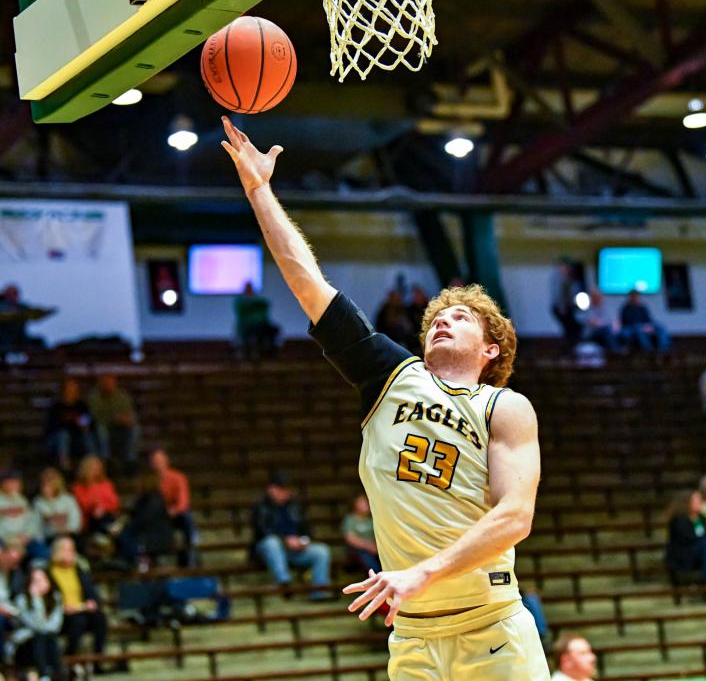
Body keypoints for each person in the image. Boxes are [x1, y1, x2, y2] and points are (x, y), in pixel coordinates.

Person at [222, 116, 546, 679]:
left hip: (490, 626)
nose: (443, 319)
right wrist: (259, 189)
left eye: (461, 316)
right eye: (437, 316)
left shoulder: (504, 406)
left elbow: (516, 515)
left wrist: (424, 572)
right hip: (415, 634)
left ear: (492, 350)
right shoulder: (393, 375)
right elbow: (309, 284)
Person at [251, 471, 332, 600]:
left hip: (294, 550)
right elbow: (262, 531)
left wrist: (303, 541)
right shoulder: (260, 507)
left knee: (322, 551)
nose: (284, 493)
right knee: (272, 543)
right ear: (271, 489)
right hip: (269, 550)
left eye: (286, 490)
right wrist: (285, 540)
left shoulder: (295, 505)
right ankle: (284, 583)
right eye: (280, 489)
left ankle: (319, 591)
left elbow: (308, 530)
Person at [48, 536, 107, 659]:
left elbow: (90, 591)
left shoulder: (78, 569)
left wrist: (92, 601)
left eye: (72, 550)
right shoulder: (48, 571)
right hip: (61, 613)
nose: (72, 553)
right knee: (78, 621)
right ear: (58, 551)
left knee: (100, 618)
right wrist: (62, 607)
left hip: (81, 608)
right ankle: (70, 657)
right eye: (68, 550)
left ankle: (98, 658)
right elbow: (49, 597)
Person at [0, 471, 48, 561]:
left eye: (17, 482)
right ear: (3, 483)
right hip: (2, 540)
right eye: (12, 482)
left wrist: (26, 536)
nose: (16, 485)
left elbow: (33, 521)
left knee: (44, 552)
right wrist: (8, 539)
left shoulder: (22, 500)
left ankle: (36, 573)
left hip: (23, 539)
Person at [665, 490, 706, 586]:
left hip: (701, 553)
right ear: (687, 503)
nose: (700, 503)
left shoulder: (702, 518)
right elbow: (688, 538)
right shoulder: (679, 520)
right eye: (697, 501)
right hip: (684, 555)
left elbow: (705, 533)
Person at [149, 448, 199, 567]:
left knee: (186, 517)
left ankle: (190, 554)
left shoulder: (178, 477)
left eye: (159, 461)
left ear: (166, 461)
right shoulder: (150, 481)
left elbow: (183, 501)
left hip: (175, 514)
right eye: (154, 461)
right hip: (158, 516)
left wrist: (173, 511)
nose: (157, 464)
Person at [13, 566, 64, 681]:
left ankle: (54, 675)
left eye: (42, 580)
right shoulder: (22, 600)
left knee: (48, 637)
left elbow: (56, 626)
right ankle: (44, 675)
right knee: (40, 636)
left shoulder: (56, 598)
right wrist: (36, 599)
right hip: (25, 646)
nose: (40, 584)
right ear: (29, 584)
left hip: (48, 641)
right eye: (35, 581)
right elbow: (37, 625)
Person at [117, 471, 174, 570]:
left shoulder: (154, 500)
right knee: (123, 535)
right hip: (147, 533)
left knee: (125, 536)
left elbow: (144, 520)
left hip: (154, 537)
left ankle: (134, 562)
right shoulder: (143, 499)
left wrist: (124, 528)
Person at [44, 378, 97, 471]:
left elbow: (89, 423)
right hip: (57, 440)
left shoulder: (81, 406)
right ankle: (65, 465)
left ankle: (92, 464)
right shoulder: (56, 406)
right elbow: (51, 427)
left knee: (87, 435)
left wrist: (79, 422)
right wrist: (67, 420)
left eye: (73, 389)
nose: (71, 391)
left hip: (77, 437)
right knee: (63, 435)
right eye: (68, 389)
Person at [87, 374, 139, 466]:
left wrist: (124, 420)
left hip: (120, 430)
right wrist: (114, 418)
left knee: (135, 429)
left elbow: (129, 416)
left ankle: (130, 461)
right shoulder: (94, 398)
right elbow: (95, 417)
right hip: (101, 430)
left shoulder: (123, 397)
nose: (108, 384)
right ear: (101, 383)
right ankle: (106, 460)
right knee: (101, 429)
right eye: (105, 382)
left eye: (110, 382)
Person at [71, 456, 120, 539]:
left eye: (97, 467)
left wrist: (103, 507)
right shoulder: (78, 487)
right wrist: (95, 506)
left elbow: (115, 503)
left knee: (105, 517)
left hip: (106, 515)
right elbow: (82, 504)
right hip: (88, 518)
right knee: (99, 516)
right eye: (92, 467)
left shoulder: (106, 484)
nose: (95, 470)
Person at [0, 284, 45, 354]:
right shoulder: (0, 307)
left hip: (21, 339)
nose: (13, 296)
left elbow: (33, 313)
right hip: (5, 340)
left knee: (39, 342)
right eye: (10, 294)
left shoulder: (23, 307)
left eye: (14, 294)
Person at [33, 468, 82, 542]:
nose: (45, 488)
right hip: (49, 537)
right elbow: (37, 526)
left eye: (49, 485)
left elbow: (76, 520)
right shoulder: (38, 503)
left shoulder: (68, 499)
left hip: (69, 534)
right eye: (43, 485)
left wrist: (67, 530)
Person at [233, 281, 279, 358]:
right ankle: (255, 353)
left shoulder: (259, 302)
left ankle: (269, 353)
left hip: (261, 326)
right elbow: (244, 310)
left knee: (272, 330)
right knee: (258, 331)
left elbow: (265, 305)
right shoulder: (241, 302)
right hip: (248, 327)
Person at [619, 290, 670, 354]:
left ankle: (664, 349)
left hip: (645, 325)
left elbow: (648, 319)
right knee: (638, 328)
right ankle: (648, 349)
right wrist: (643, 326)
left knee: (661, 327)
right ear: (630, 298)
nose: (636, 298)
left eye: (637, 297)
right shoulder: (625, 308)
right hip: (633, 326)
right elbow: (626, 321)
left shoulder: (642, 307)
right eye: (634, 297)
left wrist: (648, 326)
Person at [343, 493, 380, 574]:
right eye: (362, 502)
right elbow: (350, 539)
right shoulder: (350, 519)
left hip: (375, 547)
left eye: (366, 501)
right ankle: (375, 575)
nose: (366, 504)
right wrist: (369, 546)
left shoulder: (372, 519)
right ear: (355, 504)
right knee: (366, 556)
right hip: (359, 549)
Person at [550, 257, 582, 346]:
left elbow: (574, 293)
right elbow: (559, 295)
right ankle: (568, 348)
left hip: (569, 307)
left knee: (573, 329)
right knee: (569, 329)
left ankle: (571, 347)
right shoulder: (558, 279)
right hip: (561, 308)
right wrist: (562, 307)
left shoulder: (570, 278)